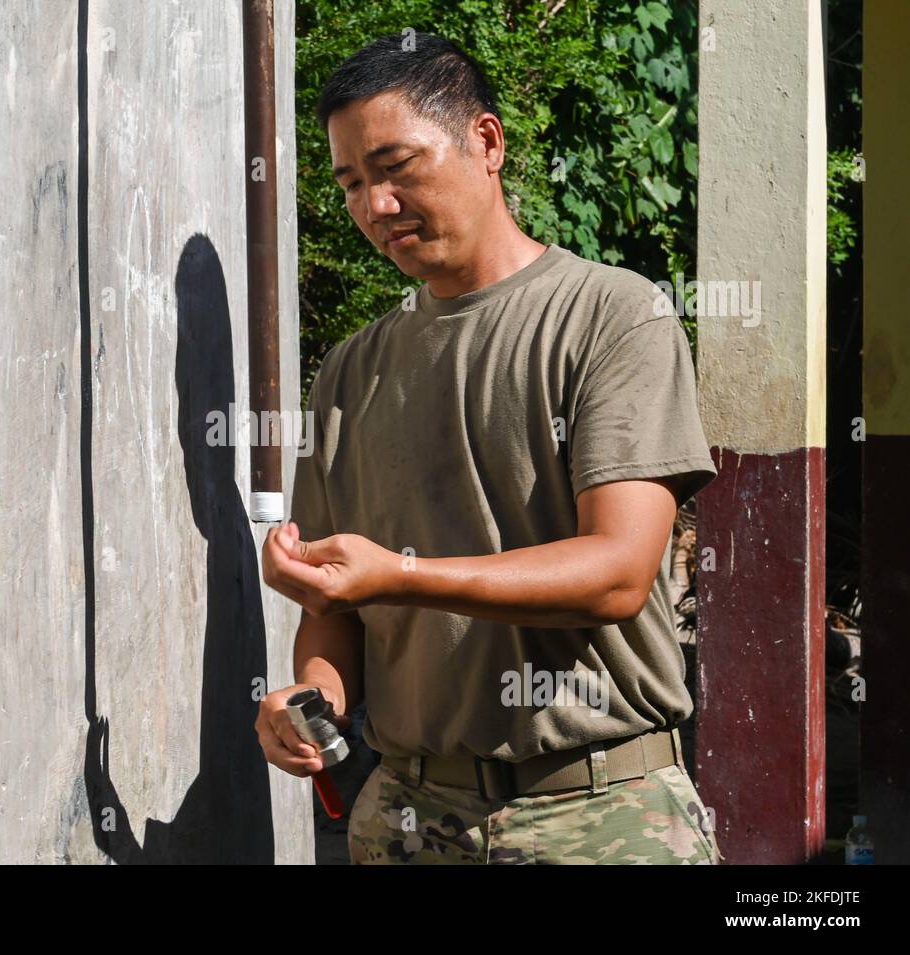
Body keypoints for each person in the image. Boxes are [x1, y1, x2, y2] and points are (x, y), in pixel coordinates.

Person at [255, 32, 723, 865]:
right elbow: (332, 609)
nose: (377, 206)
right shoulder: (350, 370)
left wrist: (401, 575)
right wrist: (311, 696)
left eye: (397, 167)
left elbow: (616, 571)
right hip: (404, 812)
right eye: (353, 184)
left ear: (487, 141)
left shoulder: (613, 317)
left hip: (596, 814)